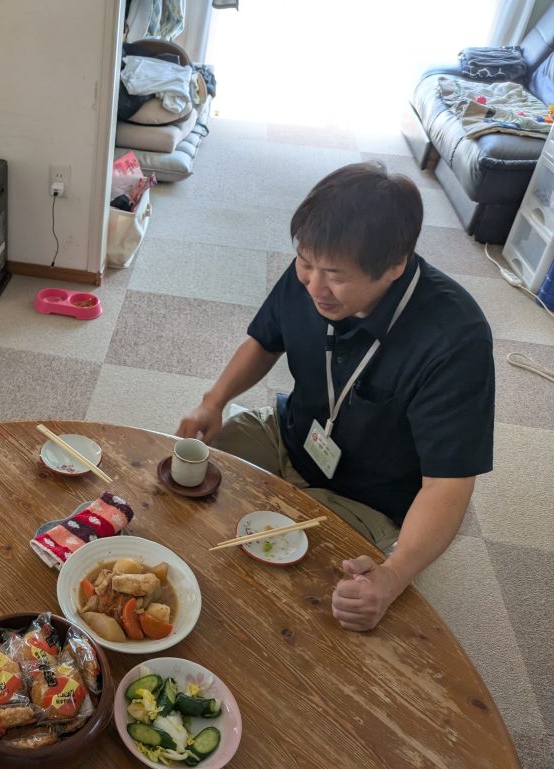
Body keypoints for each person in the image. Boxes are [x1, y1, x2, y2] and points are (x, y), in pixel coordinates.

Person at [177, 161, 494, 632]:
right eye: (305, 264)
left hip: (369, 501)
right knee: (182, 482)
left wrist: (392, 577)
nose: (314, 286)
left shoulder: (455, 339)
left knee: (311, 611)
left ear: (395, 264)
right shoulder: (315, 267)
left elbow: (448, 487)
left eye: (335, 276)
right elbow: (265, 340)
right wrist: (214, 400)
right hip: (291, 436)